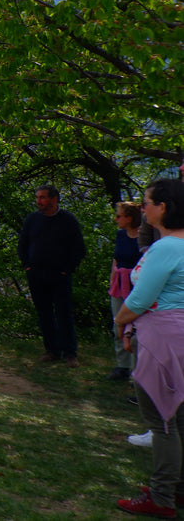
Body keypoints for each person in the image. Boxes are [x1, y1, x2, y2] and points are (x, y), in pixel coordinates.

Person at [112, 178, 184, 518]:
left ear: (164, 207)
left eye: (147, 201)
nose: (143, 208)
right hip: (176, 335)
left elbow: (141, 297)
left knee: (162, 420)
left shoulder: (167, 248)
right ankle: (177, 488)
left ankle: (162, 497)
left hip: (162, 341)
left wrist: (121, 321)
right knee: (178, 418)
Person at [18, 184, 87, 367]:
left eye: (43, 197)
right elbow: (23, 244)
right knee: (44, 313)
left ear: (54, 199)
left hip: (59, 274)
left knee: (64, 313)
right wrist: (27, 266)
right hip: (36, 273)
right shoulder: (32, 219)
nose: (39, 201)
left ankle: (70, 353)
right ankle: (52, 350)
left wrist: (67, 268)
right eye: (37, 197)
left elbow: (79, 248)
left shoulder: (67, 220)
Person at [110, 201, 145, 381]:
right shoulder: (121, 235)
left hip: (136, 286)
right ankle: (121, 365)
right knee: (118, 323)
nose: (116, 219)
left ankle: (135, 370)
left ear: (129, 218)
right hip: (119, 283)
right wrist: (112, 282)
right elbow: (116, 260)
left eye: (119, 216)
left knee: (136, 328)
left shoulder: (144, 238)